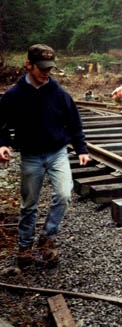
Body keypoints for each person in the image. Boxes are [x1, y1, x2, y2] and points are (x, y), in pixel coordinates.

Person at [0, 44, 90, 266]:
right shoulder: (14, 95)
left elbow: (74, 123)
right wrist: (2, 144)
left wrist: (81, 149)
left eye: (50, 68)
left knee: (64, 194)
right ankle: (24, 246)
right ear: (29, 65)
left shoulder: (60, 94)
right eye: (42, 68)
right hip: (30, 156)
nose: (46, 72)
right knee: (29, 203)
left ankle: (47, 239)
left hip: (57, 153)